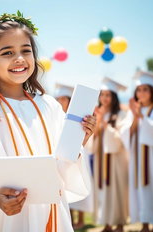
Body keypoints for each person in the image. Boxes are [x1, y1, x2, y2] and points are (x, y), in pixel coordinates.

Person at [0, 11, 96, 232]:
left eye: (25, 51)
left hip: (52, 210)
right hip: (9, 211)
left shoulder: (49, 105)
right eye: (7, 52)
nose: (19, 58)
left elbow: (62, 160)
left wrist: (78, 140)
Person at [88, 77, 129, 232]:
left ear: (114, 97)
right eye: (102, 95)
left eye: (108, 95)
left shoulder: (121, 114)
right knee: (103, 190)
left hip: (116, 158)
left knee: (117, 190)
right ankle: (107, 223)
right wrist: (97, 123)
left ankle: (119, 223)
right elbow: (95, 137)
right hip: (101, 158)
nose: (104, 98)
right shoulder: (99, 113)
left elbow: (120, 138)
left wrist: (104, 123)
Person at [124, 70, 153, 232]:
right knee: (142, 188)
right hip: (139, 156)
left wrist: (140, 116)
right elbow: (127, 133)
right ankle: (145, 222)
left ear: (152, 91)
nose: (141, 92)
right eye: (139, 89)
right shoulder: (135, 111)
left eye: (145, 89)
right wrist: (136, 117)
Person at [55, 83, 94, 229]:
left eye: (63, 98)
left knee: (77, 184)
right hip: (60, 160)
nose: (60, 101)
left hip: (77, 156)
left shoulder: (76, 117)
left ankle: (81, 219)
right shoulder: (56, 117)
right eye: (58, 98)